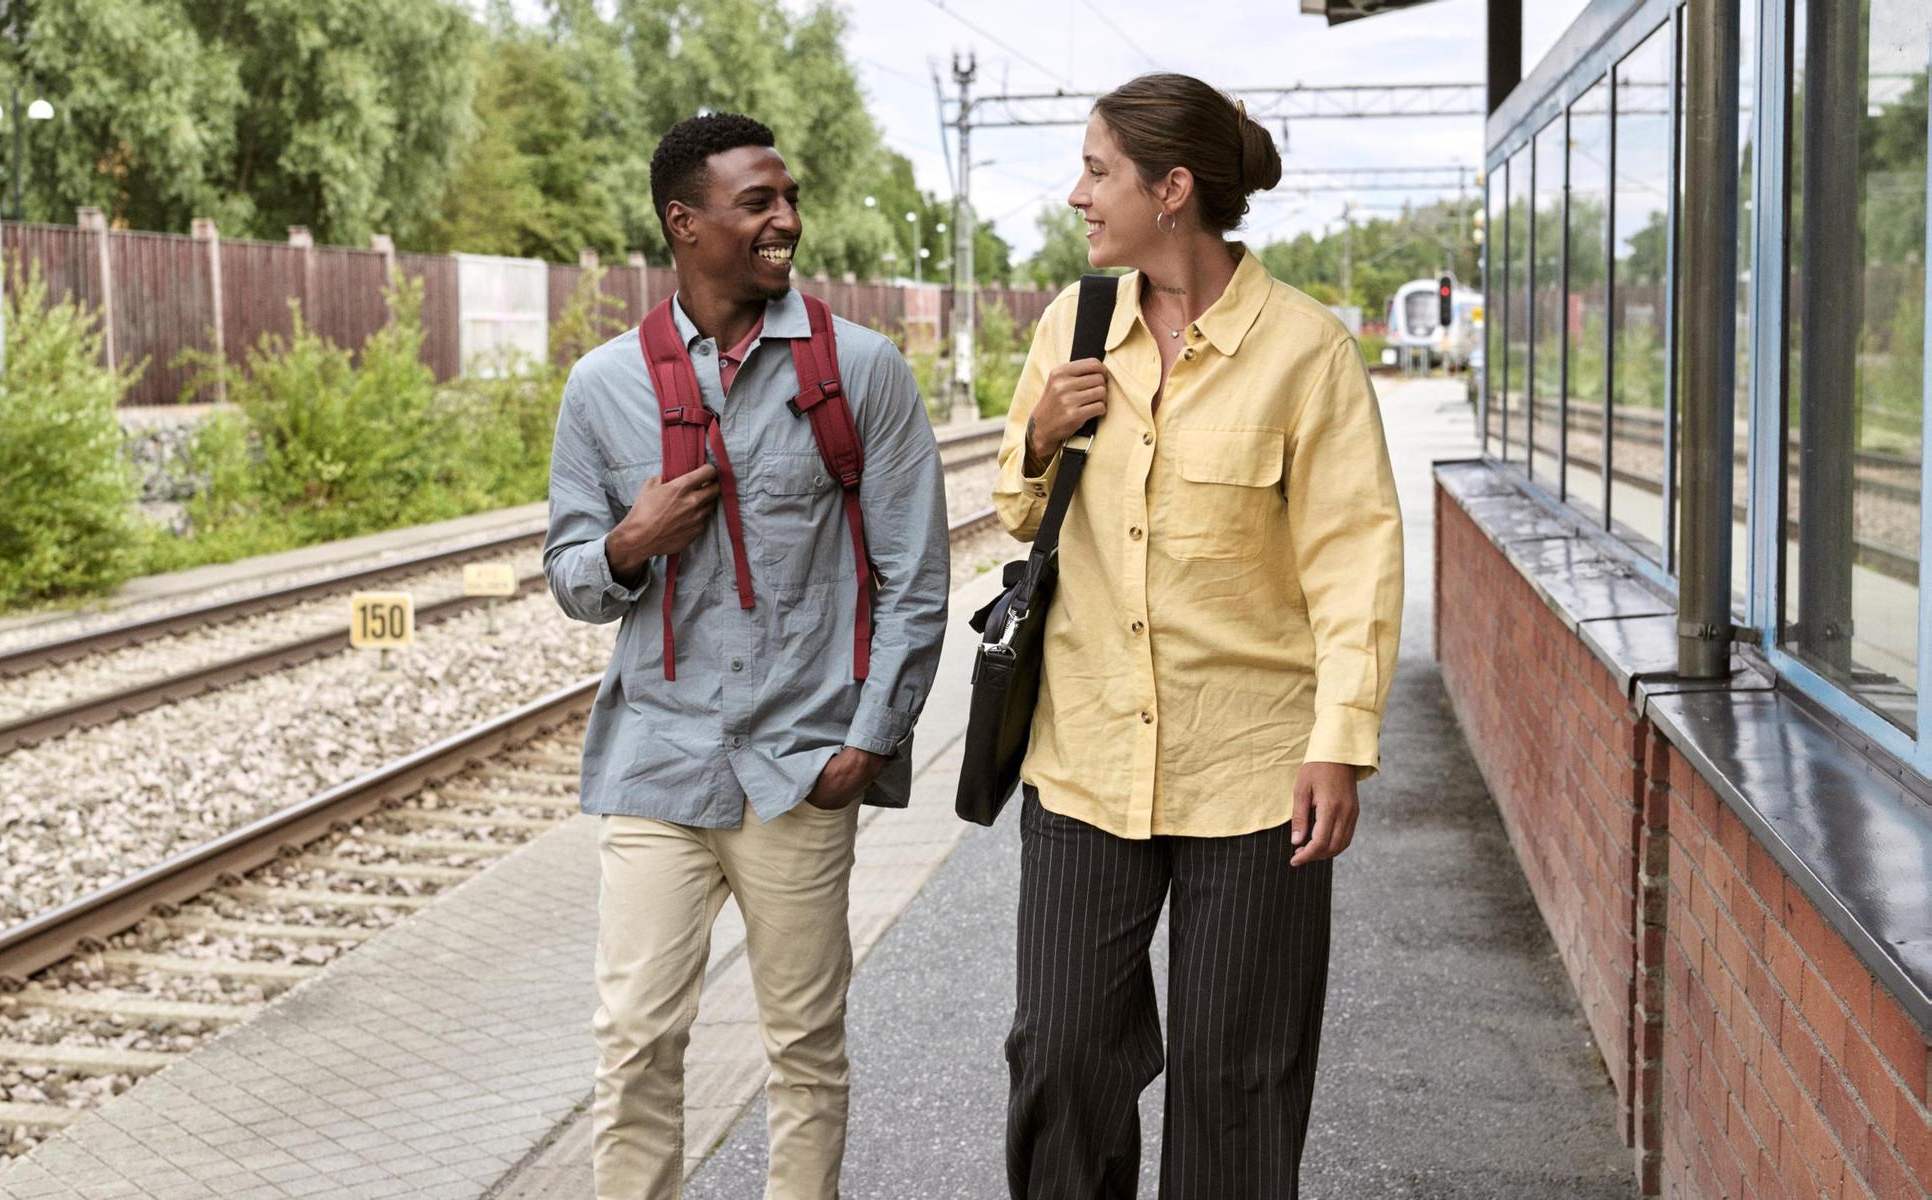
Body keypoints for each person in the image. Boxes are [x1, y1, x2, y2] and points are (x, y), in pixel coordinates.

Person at [992, 73, 1404, 1198]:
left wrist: (1340, 740)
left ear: (1170, 191)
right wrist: (1036, 434)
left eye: (1096, 170)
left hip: (1254, 771)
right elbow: (1021, 512)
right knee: (1062, 1055)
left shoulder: (1306, 354)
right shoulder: (1073, 325)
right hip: (1084, 762)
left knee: (1238, 1080)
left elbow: (1352, 560)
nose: (1076, 194)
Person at [543, 112, 949, 1200]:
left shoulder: (861, 373)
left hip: (800, 766)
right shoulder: (601, 388)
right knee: (631, 1041)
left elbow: (916, 580)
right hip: (658, 761)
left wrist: (865, 744)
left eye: (787, 199)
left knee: (803, 1048)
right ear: (684, 224)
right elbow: (571, 577)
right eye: (756, 204)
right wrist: (629, 545)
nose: (786, 222)